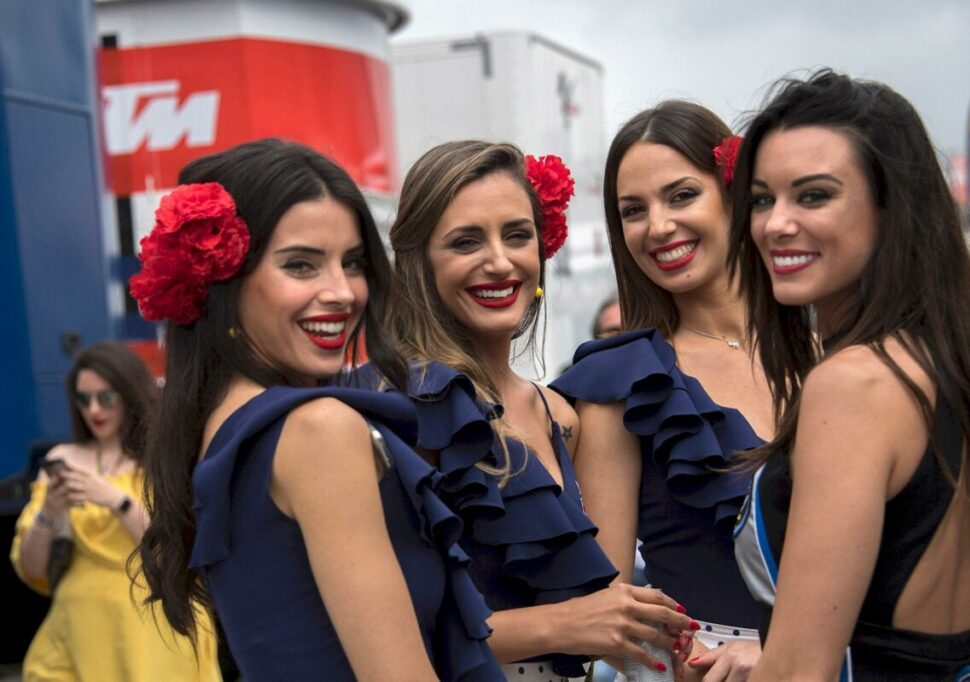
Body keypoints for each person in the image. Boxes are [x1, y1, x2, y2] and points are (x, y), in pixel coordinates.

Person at [132, 139, 500, 681]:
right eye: (301, 265)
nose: (342, 292)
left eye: (352, 263)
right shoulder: (317, 430)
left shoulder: (226, 428)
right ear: (224, 280)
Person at [728, 69, 970, 680]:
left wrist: (781, 662)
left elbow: (802, 673)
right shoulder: (960, 363)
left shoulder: (855, 384)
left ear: (893, 208)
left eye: (813, 196)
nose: (775, 223)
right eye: (761, 199)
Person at [380, 140, 692, 680]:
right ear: (418, 263)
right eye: (465, 242)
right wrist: (562, 625)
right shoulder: (405, 409)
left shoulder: (560, 415)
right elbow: (387, 631)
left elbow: (598, 621)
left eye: (517, 235)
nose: (500, 262)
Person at [551, 101, 771, 680]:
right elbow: (606, 615)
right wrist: (701, 658)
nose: (658, 226)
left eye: (681, 196)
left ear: (733, 193)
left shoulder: (829, 356)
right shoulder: (624, 383)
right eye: (633, 210)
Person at [10, 341, 221, 681]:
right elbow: (33, 570)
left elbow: (177, 551)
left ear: (128, 393)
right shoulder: (63, 459)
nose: (93, 409)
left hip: (154, 628)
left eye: (105, 398)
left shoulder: (164, 458)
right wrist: (49, 511)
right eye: (83, 399)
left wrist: (116, 500)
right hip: (79, 628)